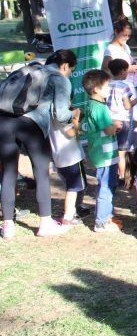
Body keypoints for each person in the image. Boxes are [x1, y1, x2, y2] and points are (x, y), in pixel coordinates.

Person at [0, 49, 78, 239]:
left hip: (3, 121)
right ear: (65, 66)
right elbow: (61, 114)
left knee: (9, 172)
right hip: (32, 125)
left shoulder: (26, 69)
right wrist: (74, 115)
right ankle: (45, 223)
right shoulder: (59, 78)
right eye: (70, 71)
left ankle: (8, 225)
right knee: (41, 172)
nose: (69, 74)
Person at [81, 69, 123, 234]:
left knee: (110, 184)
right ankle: (101, 222)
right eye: (107, 86)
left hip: (102, 153)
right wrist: (116, 125)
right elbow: (108, 130)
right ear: (96, 89)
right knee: (106, 186)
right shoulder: (100, 108)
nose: (109, 89)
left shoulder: (92, 105)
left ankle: (108, 216)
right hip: (104, 155)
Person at [49, 99, 86, 227]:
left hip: (60, 157)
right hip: (72, 157)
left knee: (73, 186)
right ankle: (68, 216)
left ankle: (73, 210)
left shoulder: (50, 112)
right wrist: (76, 118)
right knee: (73, 188)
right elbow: (71, 133)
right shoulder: (63, 115)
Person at [107, 59, 137, 181]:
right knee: (121, 151)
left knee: (111, 148)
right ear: (123, 71)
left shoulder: (107, 85)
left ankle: (110, 173)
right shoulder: (125, 86)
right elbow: (127, 105)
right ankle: (122, 175)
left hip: (109, 120)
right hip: (123, 120)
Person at [102, 19, 137, 87]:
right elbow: (105, 71)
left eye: (129, 35)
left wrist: (136, 65)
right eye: (124, 35)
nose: (127, 38)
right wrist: (126, 70)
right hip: (120, 88)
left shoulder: (126, 46)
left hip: (132, 85)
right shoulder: (110, 50)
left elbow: (128, 62)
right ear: (116, 32)